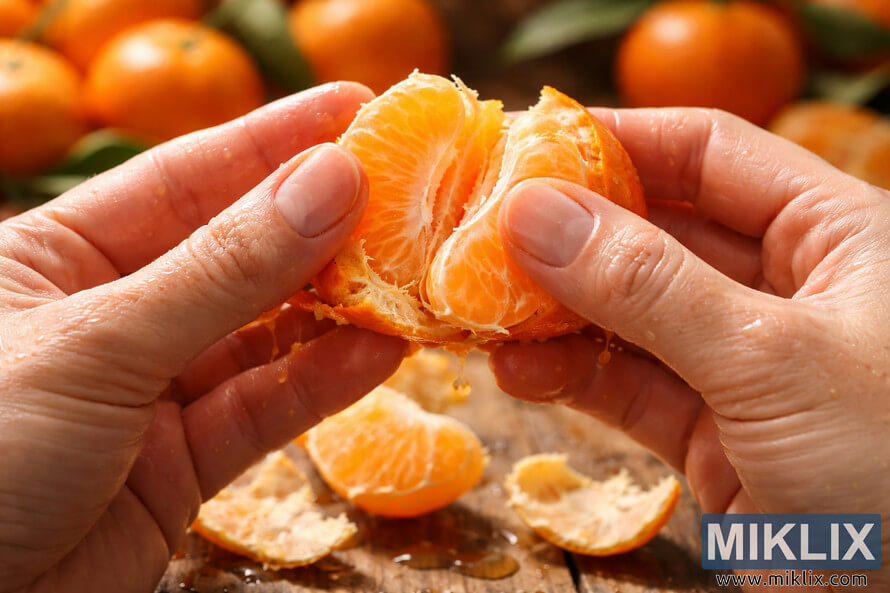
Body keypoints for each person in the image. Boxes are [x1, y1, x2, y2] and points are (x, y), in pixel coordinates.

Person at [0, 81, 885, 593]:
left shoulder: (798, 517)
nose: (809, 554)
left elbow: (812, 557)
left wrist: (824, 561)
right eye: (815, 554)